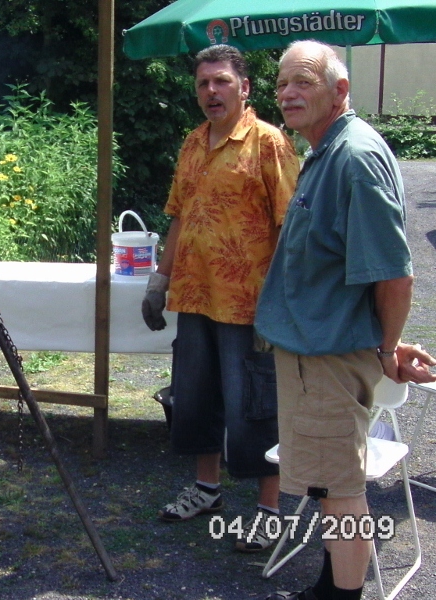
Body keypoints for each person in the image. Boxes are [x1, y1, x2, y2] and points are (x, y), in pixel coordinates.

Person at [254, 40, 436, 600]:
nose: (287, 92)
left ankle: (344, 595)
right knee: (328, 481)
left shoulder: (354, 157)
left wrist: (386, 350)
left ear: (340, 90)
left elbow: (393, 274)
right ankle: (332, 582)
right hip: (316, 354)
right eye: (283, 82)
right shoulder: (325, 151)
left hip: (330, 359)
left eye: (303, 82)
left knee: (339, 488)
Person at [141, 44, 299, 553]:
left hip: (248, 305)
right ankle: (207, 489)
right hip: (194, 297)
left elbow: (290, 226)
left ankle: (269, 510)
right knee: (194, 397)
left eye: (222, 82)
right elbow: (179, 216)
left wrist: (277, 303)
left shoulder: (269, 143)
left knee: (254, 406)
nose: (211, 91)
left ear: (245, 88)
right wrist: (158, 281)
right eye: (204, 83)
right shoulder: (191, 144)